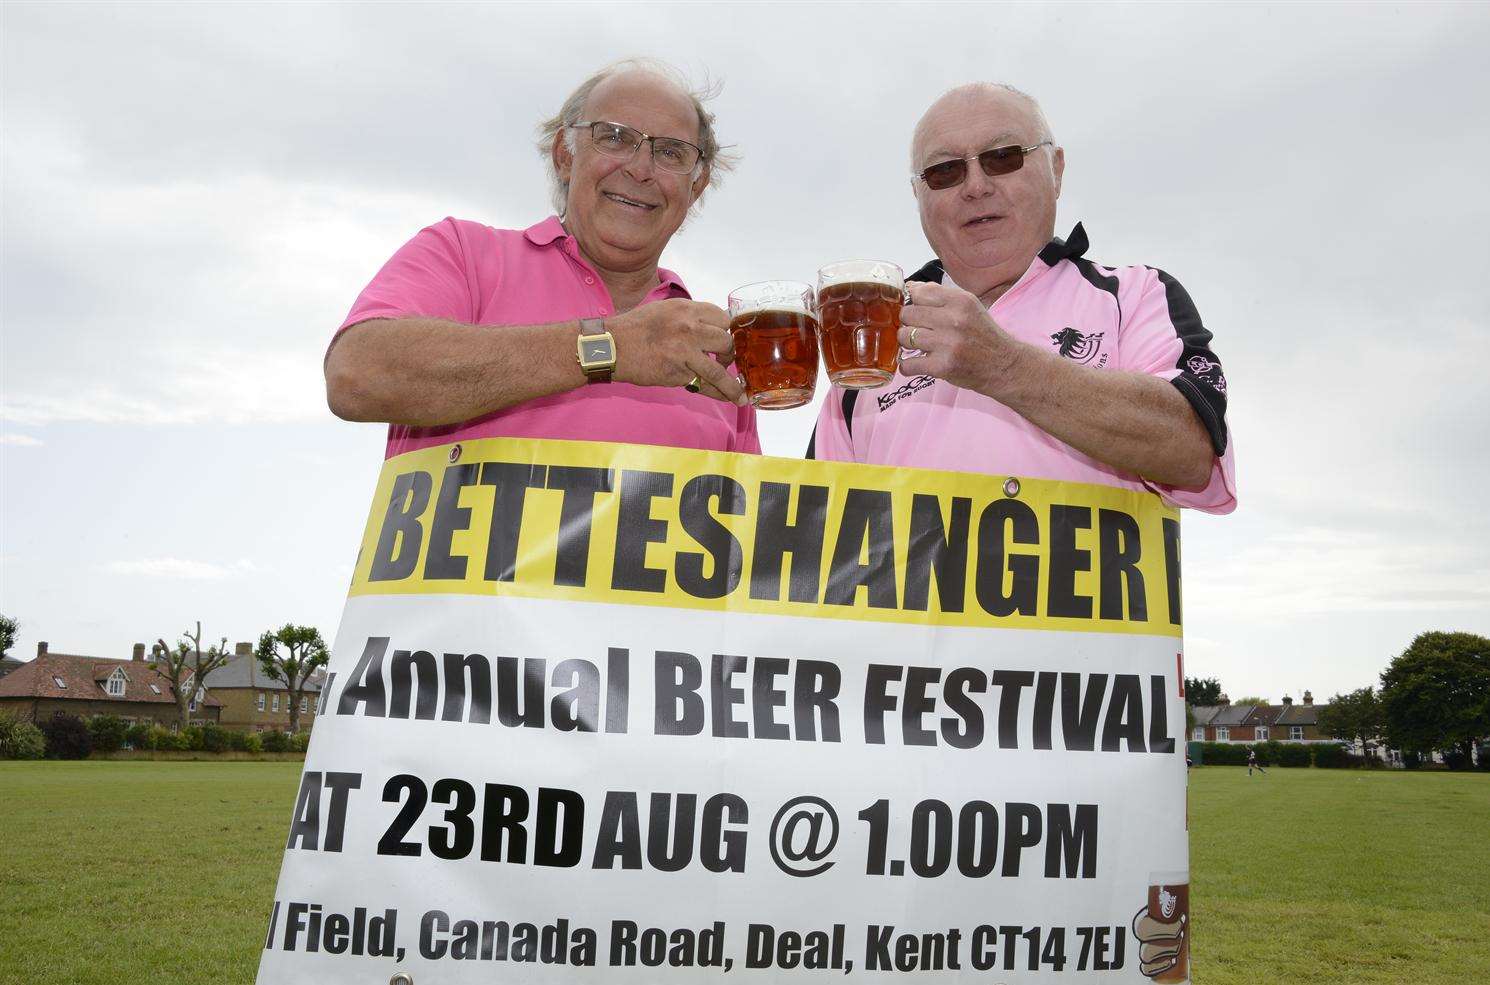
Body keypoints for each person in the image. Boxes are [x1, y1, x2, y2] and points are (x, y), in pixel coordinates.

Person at [808, 83, 1235, 514]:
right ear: (918, 194)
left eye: (1003, 157)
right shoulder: (871, 344)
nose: (975, 186)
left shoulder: (1137, 294)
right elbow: (817, 539)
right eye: (944, 171)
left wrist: (1004, 366)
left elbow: (1195, 453)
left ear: (1057, 169)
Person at [324, 60, 757, 459]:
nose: (641, 168)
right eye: (615, 137)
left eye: (670, 152)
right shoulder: (464, 253)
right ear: (565, 156)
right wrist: (613, 346)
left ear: (695, 188)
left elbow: (749, 529)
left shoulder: (718, 349)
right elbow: (357, 376)